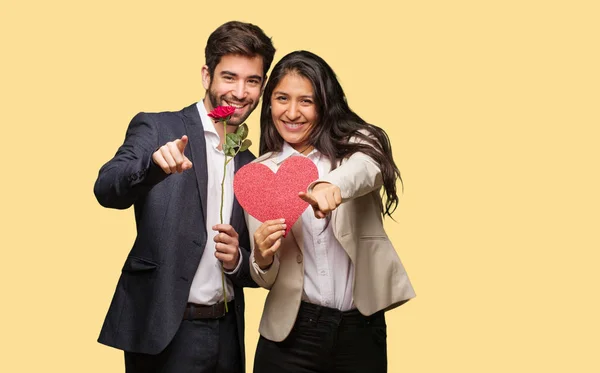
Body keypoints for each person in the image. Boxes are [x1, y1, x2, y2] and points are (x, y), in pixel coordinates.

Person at [93, 21, 275, 373]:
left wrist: (239, 259)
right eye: (229, 77)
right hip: (164, 330)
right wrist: (152, 167)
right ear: (207, 75)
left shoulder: (253, 164)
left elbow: (258, 266)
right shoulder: (159, 127)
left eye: (252, 81)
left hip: (227, 334)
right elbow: (106, 188)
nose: (240, 92)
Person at [247, 50, 416, 373]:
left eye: (306, 101)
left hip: (360, 329)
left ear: (325, 104)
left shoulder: (359, 146)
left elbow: (368, 170)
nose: (292, 112)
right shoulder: (259, 174)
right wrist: (262, 256)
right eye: (282, 98)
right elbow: (264, 277)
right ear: (269, 103)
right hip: (290, 334)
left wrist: (329, 186)